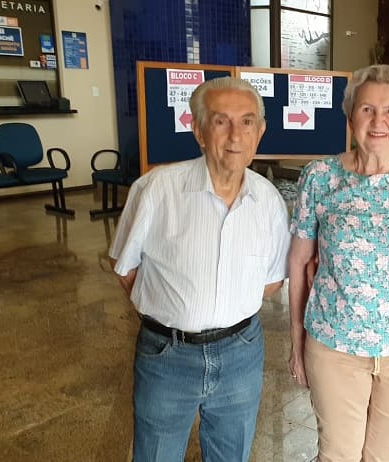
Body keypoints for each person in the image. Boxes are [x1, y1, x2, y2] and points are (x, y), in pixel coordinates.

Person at [108, 77, 290, 461]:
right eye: (221, 121)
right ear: (199, 131)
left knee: (231, 455)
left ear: (260, 131)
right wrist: (173, 308)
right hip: (166, 355)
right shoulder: (157, 189)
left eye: (247, 122)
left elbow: (271, 283)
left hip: (241, 353)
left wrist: (221, 304)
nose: (235, 135)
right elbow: (126, 269)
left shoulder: (268, 200)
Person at [288, 64, 389, 462]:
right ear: (350, 116)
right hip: (334, 346)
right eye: (366, 109)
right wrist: (296, 340)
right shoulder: (320, 177)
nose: (378, 121)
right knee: (337, 455)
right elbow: (299, 261)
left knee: (385, 458)